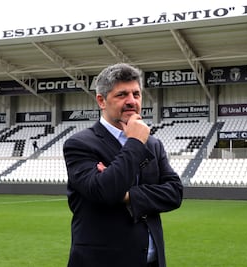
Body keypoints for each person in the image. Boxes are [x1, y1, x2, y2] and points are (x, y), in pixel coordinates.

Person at [63, 63, 183, 267]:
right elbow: (106, 191)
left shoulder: (153, 144)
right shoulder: (79, 144)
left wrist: (128, 196)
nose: (132, 101)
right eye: (122, 95)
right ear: (101, 100)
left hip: (151, 261)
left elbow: (175, 193)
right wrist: (135, 142)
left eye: (136, 94)